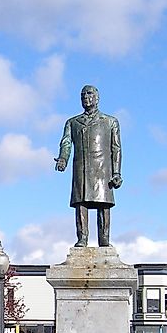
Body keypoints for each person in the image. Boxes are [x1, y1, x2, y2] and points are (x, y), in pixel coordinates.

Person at [55, 85, 122, 247]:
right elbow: (66, 143)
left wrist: (117, 173)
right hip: (81, 168)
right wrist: (63, 158)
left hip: (103, 170)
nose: (86, 97)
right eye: (83, 95)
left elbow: (116, 148)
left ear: (97, 98)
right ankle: (82, 237)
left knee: (104, 203)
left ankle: (104, 238)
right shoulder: (72, 122)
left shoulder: (110, 121)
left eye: (90, 94)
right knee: (81, 202)